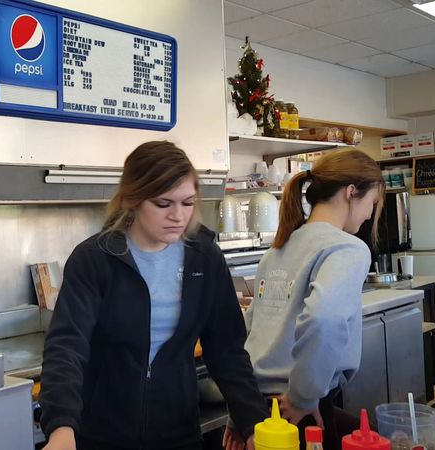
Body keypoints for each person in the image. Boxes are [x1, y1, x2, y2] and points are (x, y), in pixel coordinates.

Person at [39, 141, 268, 450]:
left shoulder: (204, 258)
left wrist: (253, 422)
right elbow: (66, 348)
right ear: (132, 199)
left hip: (178, 433)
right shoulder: (94, 259)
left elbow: (227, 351)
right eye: (163, 204)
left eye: (187, 203)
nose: (178, 216)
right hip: (100, 435)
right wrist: (61, 427)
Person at [235, 149, 384, 450]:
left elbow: (248, 333)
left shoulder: (276, 250)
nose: (370, 214)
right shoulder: (347, 249)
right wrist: (304, 396)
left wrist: (239, 412)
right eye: (372, 203)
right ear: (351, 192)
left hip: (256, 408)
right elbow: (323, 318)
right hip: (296, 409)